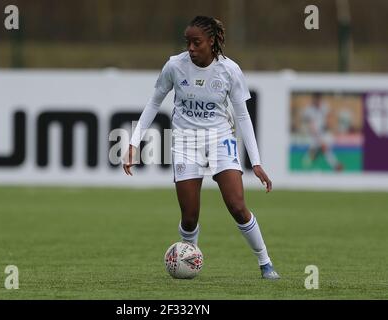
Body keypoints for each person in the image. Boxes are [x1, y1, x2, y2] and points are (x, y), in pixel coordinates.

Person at [122, 16, 280, 279]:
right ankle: (189, 258)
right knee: (190, 217)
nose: (191, 48)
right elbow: (153, 103)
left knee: (237, 205)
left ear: (212, 41)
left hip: (220, 139)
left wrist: (256, 162)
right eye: (188, 43)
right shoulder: (175, 66)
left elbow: (242, 117)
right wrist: (133, 142)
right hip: (185, 142)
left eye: (196, 43)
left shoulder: (229, 71)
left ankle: (265, 263)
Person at [301, 93, 343, 171]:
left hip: (323, 133)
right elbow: (307, 123)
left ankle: (335, 165)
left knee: (324, 148)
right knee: (319, 149)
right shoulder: (309, 109)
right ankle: (335, 165)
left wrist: (330, 125)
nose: (318, 102)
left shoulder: (324, 106)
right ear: (314, 100)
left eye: (319, 100)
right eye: (316, 100)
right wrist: (313, 131)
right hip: (312, 134)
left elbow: (329, 116)